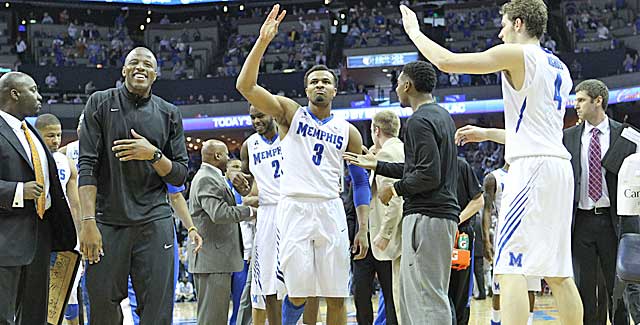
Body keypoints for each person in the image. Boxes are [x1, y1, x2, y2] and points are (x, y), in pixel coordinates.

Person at [403, 0, 582, 322]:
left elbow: (446, 61)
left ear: (518, 23)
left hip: (531, 170)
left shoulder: (517, 54)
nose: (499, 32)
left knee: (510, 268)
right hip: (557, 166)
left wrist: (414, 32)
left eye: (503, 23)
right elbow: (535, 130)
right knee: (558, 272)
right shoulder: (559, 66)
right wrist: (488, 133)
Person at [236, 5, 371, 324]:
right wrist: (262, 42)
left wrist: (363, 228)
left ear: (335, 89)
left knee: (336, 296)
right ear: (306, 89)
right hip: (294, 208)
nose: (320, 85)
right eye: (314, 82)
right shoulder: (289, 114)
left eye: (326, 81)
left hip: (330, 209)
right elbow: (245, 86)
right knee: (297, 293)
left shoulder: (348, 131)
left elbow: (361, 183)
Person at [78, 47, 189, 325]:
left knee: (156, 312)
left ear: (155, 74)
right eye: (134, 62)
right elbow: (87, 167)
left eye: (147, 64)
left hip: (154, 222)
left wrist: (152, 154)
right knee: (102, 310)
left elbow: (179, 175)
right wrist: (87, 222)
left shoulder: (169, 113)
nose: (140, 67)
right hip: (107, 222)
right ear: (124, 70)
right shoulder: (100, 102)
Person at [345, 60, 460, 324]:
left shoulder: (420, 121)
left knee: (426, 296)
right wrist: (378, 164)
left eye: (397, 83)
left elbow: (429, 175)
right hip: (439, 215)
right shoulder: (441, 115)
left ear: (407, 85)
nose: (396, 89)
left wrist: (394, 189)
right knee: (416, 296)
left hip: (428, 215)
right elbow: (417, 166)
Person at [0, 71, 76, 324]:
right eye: (33, 90)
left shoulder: (30, 131)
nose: (39, 95)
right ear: (14, 93)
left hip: (40, 234)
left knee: (36, 316)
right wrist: (19, 191)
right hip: (6, 237)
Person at [563, 79, 640, 324]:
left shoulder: (627, 136)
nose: (576, 105)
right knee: (584, 291)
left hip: (614, 221)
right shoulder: (568, 137)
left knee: (616, 290)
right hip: (581, 222)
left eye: (581, 99)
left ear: (598, 101)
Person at [187, 140, 256, 325]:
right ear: (217, 156)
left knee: (215, 316)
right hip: (212, 261)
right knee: (213, 319)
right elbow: (219, 213)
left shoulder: (212, 176)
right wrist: (250, 211)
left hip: (217, 259)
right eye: (226, 154)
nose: (228, 158)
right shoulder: (206, 178)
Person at [231, 105, 283, 325]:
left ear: (271, 113)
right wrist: (236, 178)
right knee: (267, 282)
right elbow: (246, 189)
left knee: (302, 279)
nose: (255, 121)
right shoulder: (248, 145)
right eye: (252, 117)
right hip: (268, 213)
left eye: (260, 116)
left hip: (294, 207)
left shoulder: (289, 134)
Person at [352, 110, 404, 325]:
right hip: (375, 237)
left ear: (376, 130)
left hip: (385, 239)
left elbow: (394, 199)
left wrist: (384, 234)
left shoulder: (388, 154)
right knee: (387, 298)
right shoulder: (395, 149)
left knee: (393, 300)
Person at [35, 113, 83, 325]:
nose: (55, 140)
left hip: (63, 234)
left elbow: (75, 204)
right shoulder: (30, 157)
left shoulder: (66, 162)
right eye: (50, 135)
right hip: (37, 232)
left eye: (58, 135)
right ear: (38, 134)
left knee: (68, 289)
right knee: (39, 290)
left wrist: (79, 236)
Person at [482, 164, 540, 325]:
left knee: (530, 286)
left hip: (529, 237)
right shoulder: (493, 178)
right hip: (504, 238)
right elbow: (486, 210)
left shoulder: (532, 175)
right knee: (499, 286)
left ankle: (528, 322)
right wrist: (486, 240)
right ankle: (495, 321)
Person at [449, 156, 484, 325]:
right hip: (433, 233)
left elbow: (478, 201)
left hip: (460, 236)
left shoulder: (460, 165)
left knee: (460, 291)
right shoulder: (426, 163)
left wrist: (456, 220)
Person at [227, 158, 254, 325]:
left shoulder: (249, 190)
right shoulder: (221, 189)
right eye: (234, 167)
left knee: (241, 299)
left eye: (240, 167)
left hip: (243, 253)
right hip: (224, 252)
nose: (238, 170)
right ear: (226, 171)